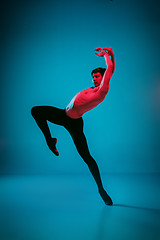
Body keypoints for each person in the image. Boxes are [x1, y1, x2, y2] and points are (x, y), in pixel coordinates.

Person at [31, 47, 115, 205]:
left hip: (74, 123)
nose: (93, 79)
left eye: (96, 76)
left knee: (87, 157)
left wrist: (106, 56)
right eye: (92, 77)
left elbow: (110, 69)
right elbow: (112, 69)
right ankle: (51, 141)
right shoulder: (95, 89)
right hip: (63, 114)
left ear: (104, 78)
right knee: (36, 111)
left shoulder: (102, 91)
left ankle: (101, 189)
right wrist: (111, 52)